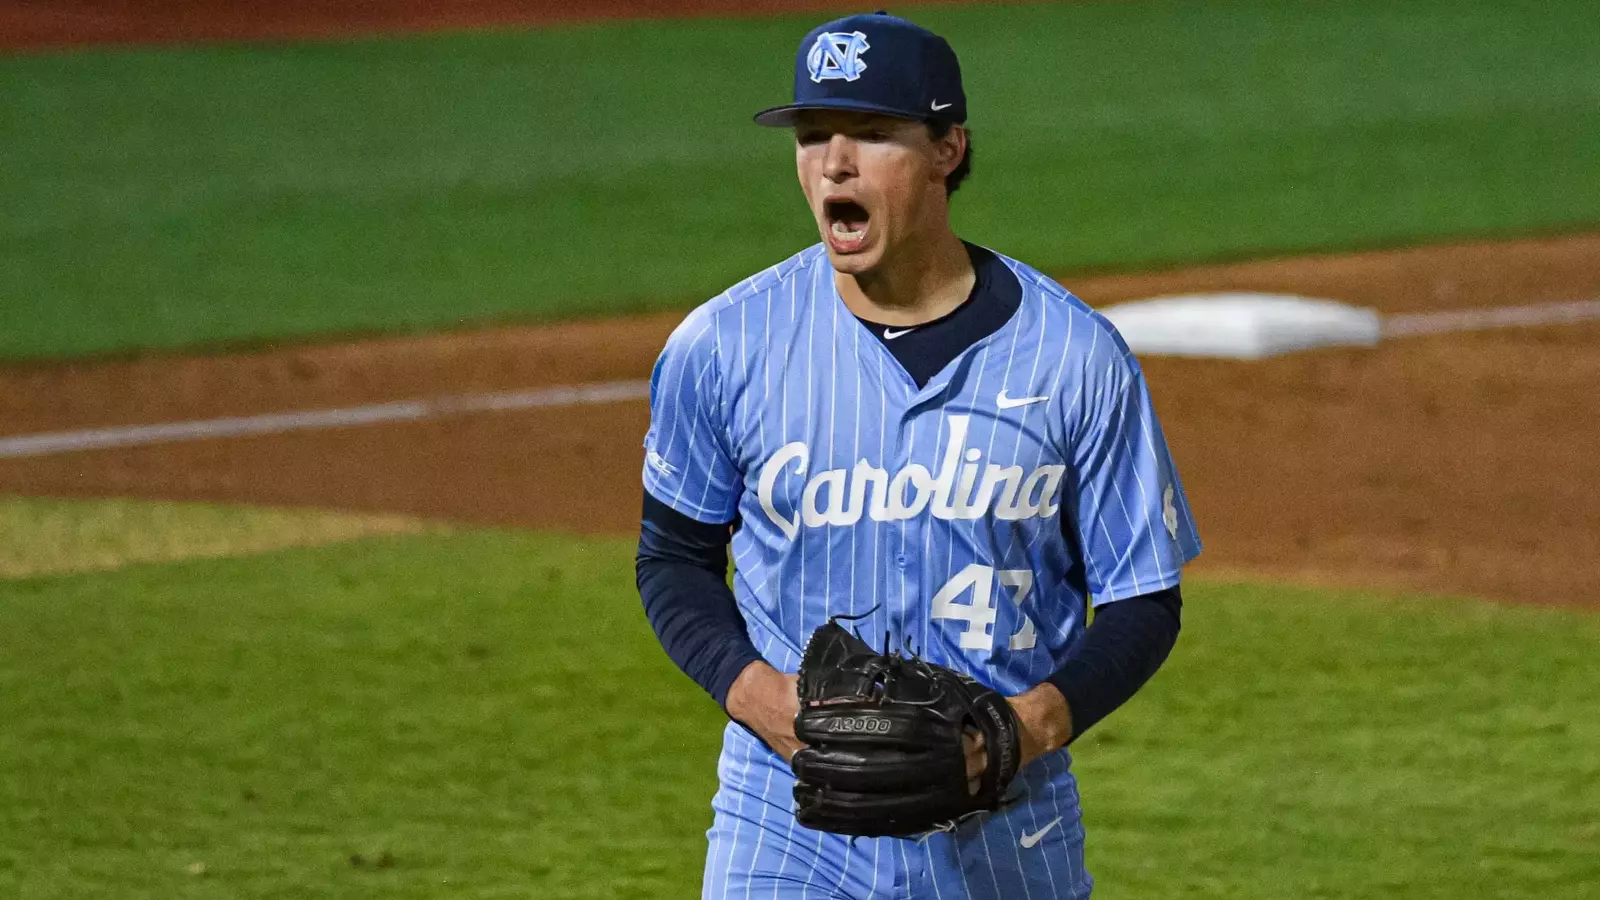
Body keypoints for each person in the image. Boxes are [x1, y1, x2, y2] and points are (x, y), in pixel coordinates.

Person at [636, 12, 1201, 899]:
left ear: (948, 149)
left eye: (872, 133)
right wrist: (758, 698)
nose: (833, 164)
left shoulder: (1074, 357)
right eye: (814, 134)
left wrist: (1019, 731)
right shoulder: (723, 346)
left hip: (1009, 828)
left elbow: (1143, 598)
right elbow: (673, 558)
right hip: (784, 820)